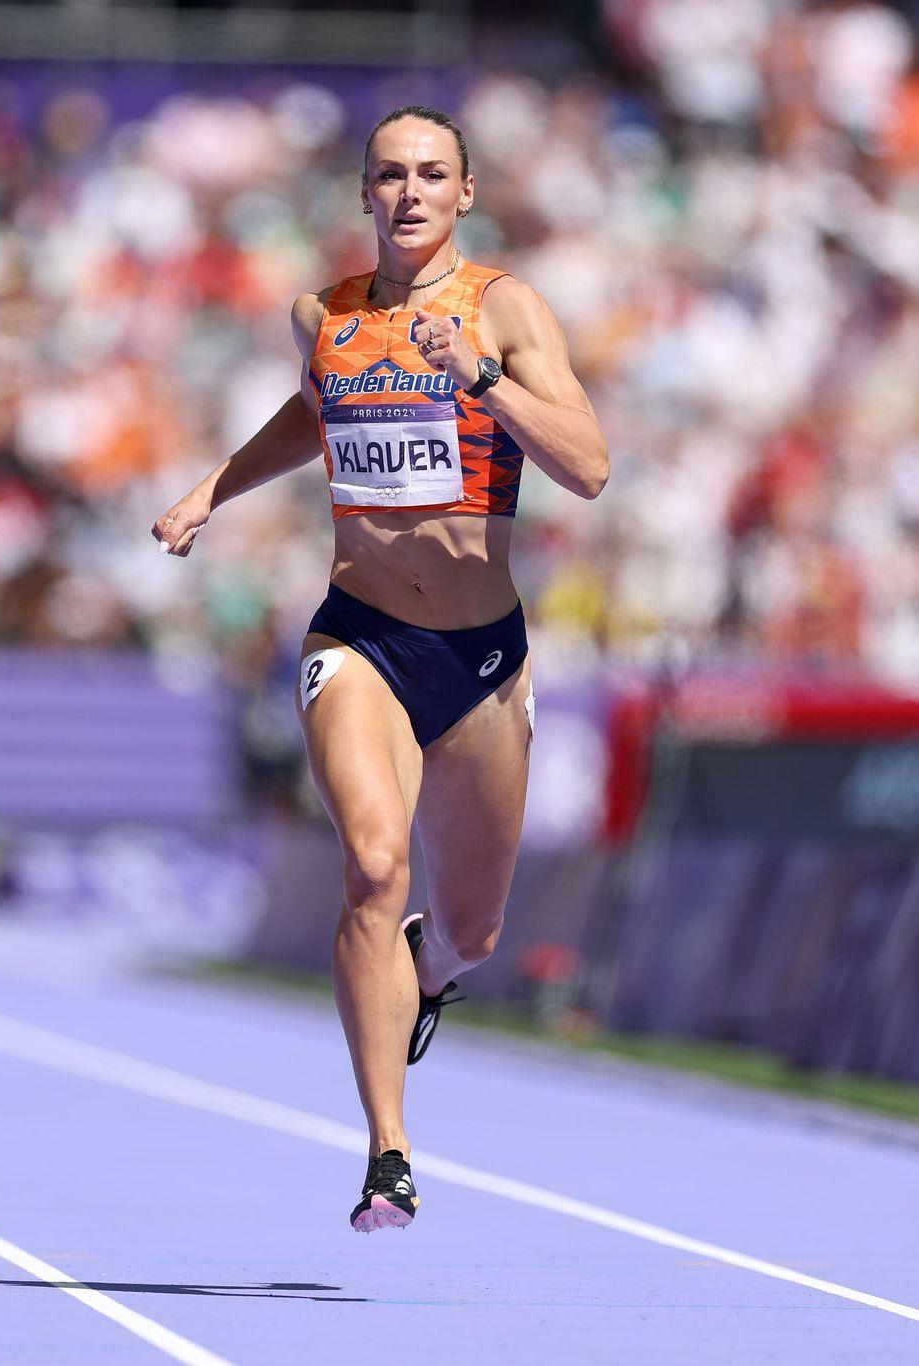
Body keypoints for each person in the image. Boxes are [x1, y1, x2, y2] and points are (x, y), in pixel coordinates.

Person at [153, 106, 607, 1231]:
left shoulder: (503, 307)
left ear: (465, 192)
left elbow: (590, 466)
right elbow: (313, 418)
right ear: (363, 193)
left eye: (431, 174)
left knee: (475, 928)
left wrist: (483, 379)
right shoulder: (325, 313)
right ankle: (386, 1152)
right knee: (369, 861)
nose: (408, 192)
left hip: (482, 659)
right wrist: (212, 488)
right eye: (389, 175)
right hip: (358, 636)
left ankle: (432, 974)